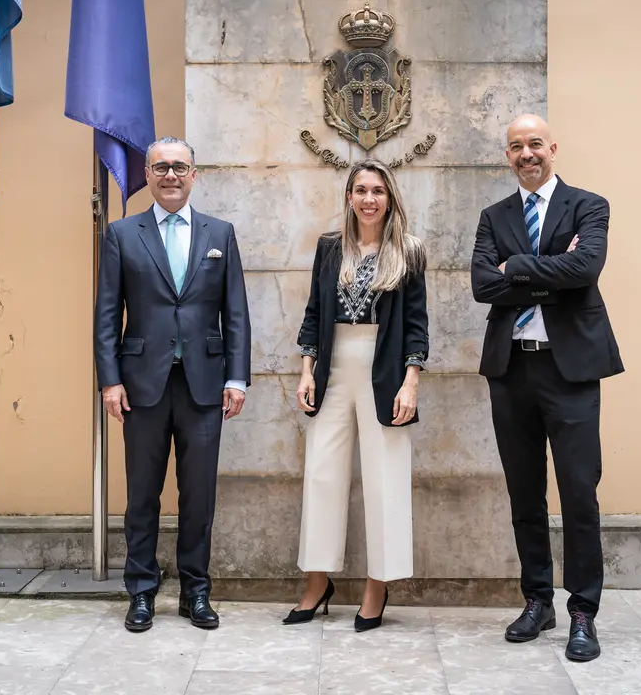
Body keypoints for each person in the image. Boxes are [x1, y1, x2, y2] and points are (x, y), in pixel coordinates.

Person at [470, 114, 624, 662]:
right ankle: (537, 600)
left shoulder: (589, 205)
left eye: (535, 144)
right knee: (524, 493)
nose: (526, 154)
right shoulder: (494, 216)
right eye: (516, 147)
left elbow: (585, 268)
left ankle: (583, 611)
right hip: (512, 371)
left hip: (571, 371)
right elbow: (482, 284)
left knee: (580, 493)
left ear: (552, 147)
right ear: (507, 155)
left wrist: (519, 267)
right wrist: (541, 273)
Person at [94, 136, 251, 632]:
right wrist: (110, 382)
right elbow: (105, 316)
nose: (170, 176)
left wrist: (237, 377)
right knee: (142, 494)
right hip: (141, 387)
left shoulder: (219, 234)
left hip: (204, 387)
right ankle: (141, 592)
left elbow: (237, 314)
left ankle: (195, 592)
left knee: (198, 496)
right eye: (161, 167)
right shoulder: (123, 234)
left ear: (194, 175)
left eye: (180, 167)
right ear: (147, 173)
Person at [285, 158, 428, 632]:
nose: (369, 199)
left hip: (384, 369)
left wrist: (411, 382)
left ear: (390, 199)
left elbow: (415, 325)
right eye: (361, 190)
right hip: (333, 366)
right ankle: (317, 581)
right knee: (323, 475)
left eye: (378, 191)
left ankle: (377, 585)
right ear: (349, 197)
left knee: (385, 477)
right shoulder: (329, 248)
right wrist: (307, 372)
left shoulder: (408, 251)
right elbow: (312, 313)